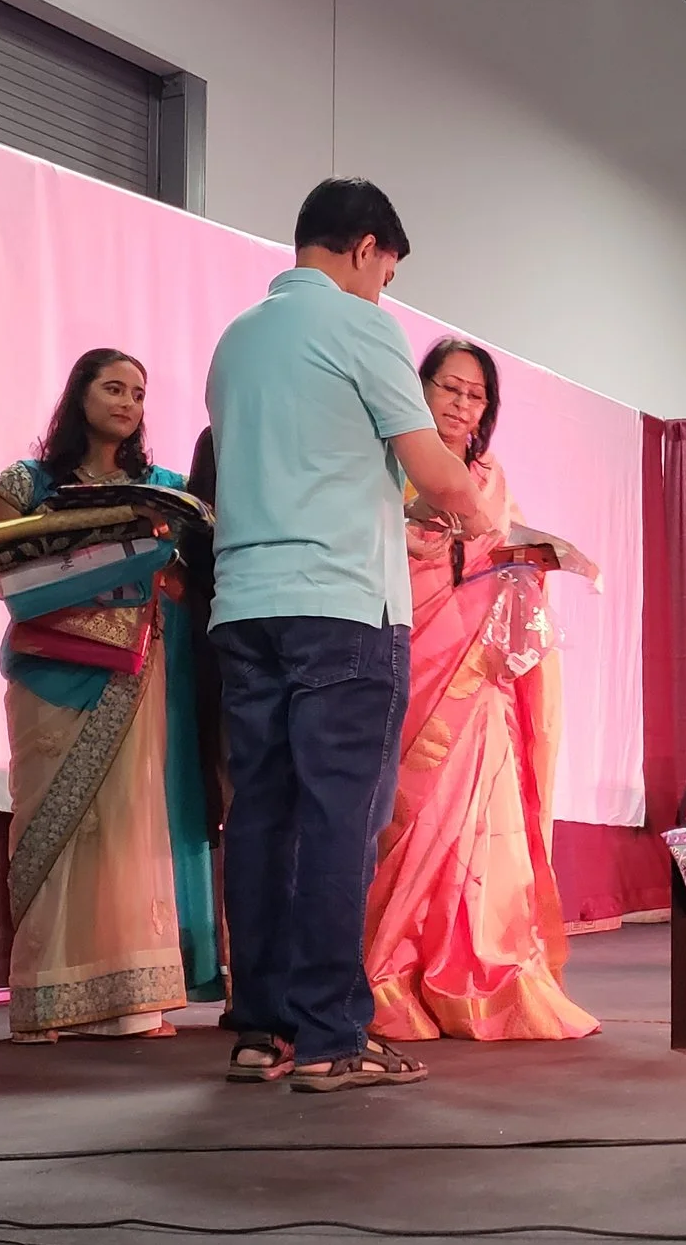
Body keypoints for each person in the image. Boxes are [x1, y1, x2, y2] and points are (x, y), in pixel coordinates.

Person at [204, 179, 492, 1091]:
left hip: (244, 604)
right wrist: (480, 507)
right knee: (340, 819)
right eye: (387, 271)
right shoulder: (362, 327)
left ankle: (261, 1029)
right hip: (341, 606)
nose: (384, 289)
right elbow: (437, 474)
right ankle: (333, 1034)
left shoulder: (235, 339)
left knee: (261, 815)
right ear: (367, 248)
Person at [0, 349, 222, 1041]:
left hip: (134, 673)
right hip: (50, 672)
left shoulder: (161, 491)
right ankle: (48, 998)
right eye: (113, 388)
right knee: (53, 824)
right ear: (80, 395)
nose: (128, 402)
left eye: (138, 392)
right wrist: (67, 562)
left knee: (128, 829)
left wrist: (157, 568)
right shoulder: (27, 482)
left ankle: (129, 998)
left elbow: (190, 584)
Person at [362, 339, 600, 1041]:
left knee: (486, 817)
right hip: (414, 655)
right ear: (421, 387)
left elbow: (497, 548)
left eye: (476, 395)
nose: (463, 405)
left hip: (482, 670)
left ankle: (481, 965)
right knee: (412, 815)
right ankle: (393, 967)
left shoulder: (490, 477)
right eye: (451, 388)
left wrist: (529, 562)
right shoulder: (391, 466)